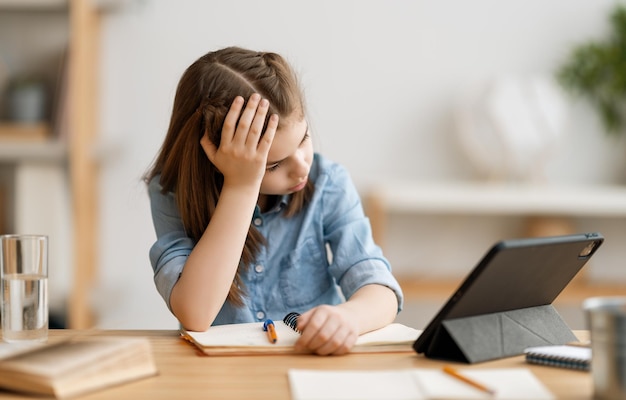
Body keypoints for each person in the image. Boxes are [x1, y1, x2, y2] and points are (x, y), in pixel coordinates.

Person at [145, 46, 403, 355]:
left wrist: (349, 316)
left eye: (304, 138)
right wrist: (241, 186)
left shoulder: (328, 182)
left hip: (312, 364)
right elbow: (195, 313)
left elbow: (378, 287)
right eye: (274, 165)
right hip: (224, 375)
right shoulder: (172, 192)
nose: (301, 166)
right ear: (213, 160)